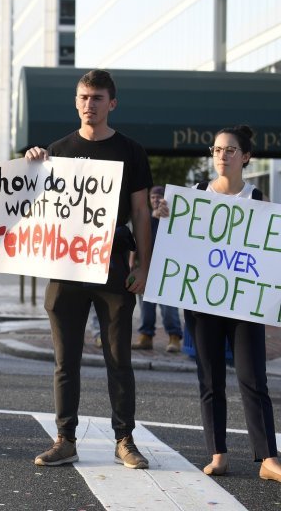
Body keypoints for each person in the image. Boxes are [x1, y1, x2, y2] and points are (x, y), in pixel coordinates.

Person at [25, 70, 153, 469]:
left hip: (113, 265)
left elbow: (140, 213)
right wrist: (33, 167)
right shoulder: (57, 150)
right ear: (76, 101)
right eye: (83, 97)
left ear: (111, 103)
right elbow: (33, 209)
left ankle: (125, 440)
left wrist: (144, 266)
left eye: (97, 98)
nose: (89, 104)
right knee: (66, 361)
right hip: (66, 267)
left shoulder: (131, 151)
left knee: (119, 359)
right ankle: (65, 439)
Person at [156, 125, 281, 481]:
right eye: (216, 150)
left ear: (246, 157)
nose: (222, 156)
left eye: (229, 150)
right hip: (203, 303)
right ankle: (218, 454)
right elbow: (177, 247)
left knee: (253, 378)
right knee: (210, 380)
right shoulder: (193, 196)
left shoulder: (258, 199)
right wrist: (166, 218)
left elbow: (269, 256)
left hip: (244, 306)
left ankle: (268, 458)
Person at [132, 186, 183, 352]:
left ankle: (174, 337)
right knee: (146, 306)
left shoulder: (172, 217)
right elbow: (134, 242)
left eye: (158, 197)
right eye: (152, 197)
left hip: (167, 269)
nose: (155, 200)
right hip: (146, 268)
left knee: (169, 307)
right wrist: (132, 263)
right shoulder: (144, 216)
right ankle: (146, 337)